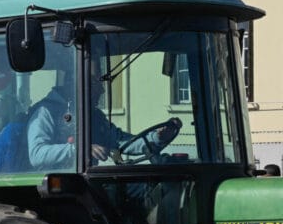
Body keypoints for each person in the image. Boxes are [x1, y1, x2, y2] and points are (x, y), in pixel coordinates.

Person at [27, 58, 179, 170]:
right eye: (94, 82)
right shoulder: (45, 112)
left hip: (89, 181)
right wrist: (80, 149)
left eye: (100, 82)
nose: (102, 90)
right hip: (59, 188)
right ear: (73, 83)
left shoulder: (94, 116)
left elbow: (121, 142)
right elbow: (37, 154)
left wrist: (157, 137)